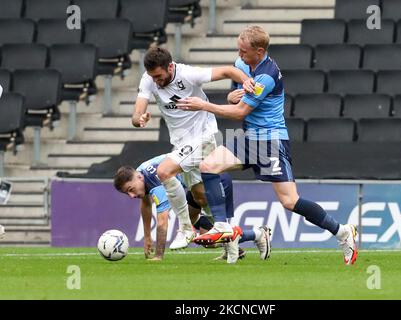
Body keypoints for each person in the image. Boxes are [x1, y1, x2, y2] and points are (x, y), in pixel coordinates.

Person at [177, 26, 358, 265]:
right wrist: (233, 95)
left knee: (290, 201)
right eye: (238, 50)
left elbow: (240, 110)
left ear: (259, 51)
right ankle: (221, 225)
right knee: (209, 165)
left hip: (270, 142)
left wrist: (204, 105)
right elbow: (234, 97)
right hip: (250, 137)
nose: (239, 55)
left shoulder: (267, 75)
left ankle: (342, 232)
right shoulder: (242, 65)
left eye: (243, 51)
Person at [133, 47, 253, 257]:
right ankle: (242, 238)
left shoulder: (188, 74)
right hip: (182, 144)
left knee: (164, 172)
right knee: (200, 197)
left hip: (204, 136)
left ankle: (185, 228)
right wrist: (138, 119)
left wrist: (247, 81)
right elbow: (138, 110)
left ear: (170, 67)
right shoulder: (149, 79)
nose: (157, 82)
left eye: (159, 76)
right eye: (153, 77)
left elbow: (227, 71)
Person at [113, 154, 271, 263]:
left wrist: (158, 255)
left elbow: (162, 220)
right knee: (191, 221)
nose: (132, 196)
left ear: (139, 177)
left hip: (214, 182)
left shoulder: (153, 179)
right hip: (196, 188)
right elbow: (146, 204)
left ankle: (257, 234)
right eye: (128, 193)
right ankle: (232, 245)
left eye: (131, 189)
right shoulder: (140, 172)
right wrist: (147, 236)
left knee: (209, 239)